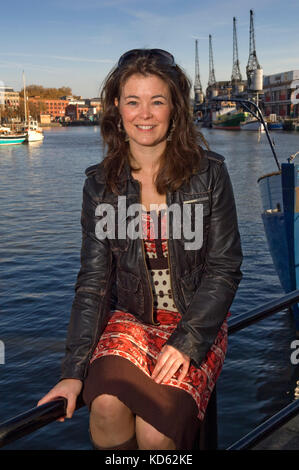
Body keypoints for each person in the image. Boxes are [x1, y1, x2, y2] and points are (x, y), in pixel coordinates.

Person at [38, 48, 243, 450]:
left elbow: (224, 268)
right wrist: (73, 371)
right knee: (106, 406)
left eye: (157, 101)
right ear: (117, 106)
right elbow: (94, 281)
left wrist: (188, 340)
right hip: (131, 320)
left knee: (156, 432)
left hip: (196, 324)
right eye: (133, 101)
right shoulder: (100, 185)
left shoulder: (210, 174)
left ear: (174, 108)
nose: (144, 114)